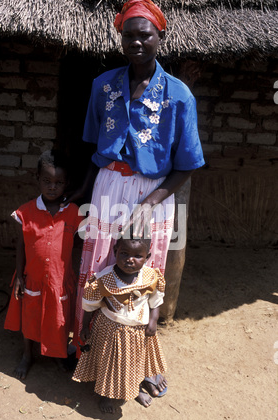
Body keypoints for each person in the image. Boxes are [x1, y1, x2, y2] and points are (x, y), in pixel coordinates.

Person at [64, 0, 205, 398]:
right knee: (99, 267)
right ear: (120, 38)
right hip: (108, 186)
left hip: (153, 194)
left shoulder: (179, 96)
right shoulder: (103, 85)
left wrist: (145, 205)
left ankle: (135, 364)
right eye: (130, 35)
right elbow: (94, 147)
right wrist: (83, 188)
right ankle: (90, 354)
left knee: (141, 274)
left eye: (145, 34)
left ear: (160, 36)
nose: (137, 41)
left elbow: (187, 165)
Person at [4, 150, 83, 379]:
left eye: (58, 183)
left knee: (59, 319)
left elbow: (80, 246)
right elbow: (21, 245)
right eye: (47, 181)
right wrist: (19, 275)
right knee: (30, 317)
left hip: (59, 279)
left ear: (67, 184)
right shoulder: (25, 212)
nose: (52, 187)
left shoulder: (74, 212)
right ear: (37, 178)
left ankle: (57, 353)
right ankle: (28, 355)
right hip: (33, 277)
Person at [72, 235, 167, 413]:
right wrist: (85, 326)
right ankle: (106, 395)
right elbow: (90, 305)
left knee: (135, 363)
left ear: (147, 257)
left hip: (139, 332)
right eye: (124, 253)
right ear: (115, 252)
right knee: (110, 364)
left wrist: (153, 321)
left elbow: (156, 302)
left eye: (138, 256)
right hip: (110, 330)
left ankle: (133, 390)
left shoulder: (150, 277)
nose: (130, 260)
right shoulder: (104, 278)